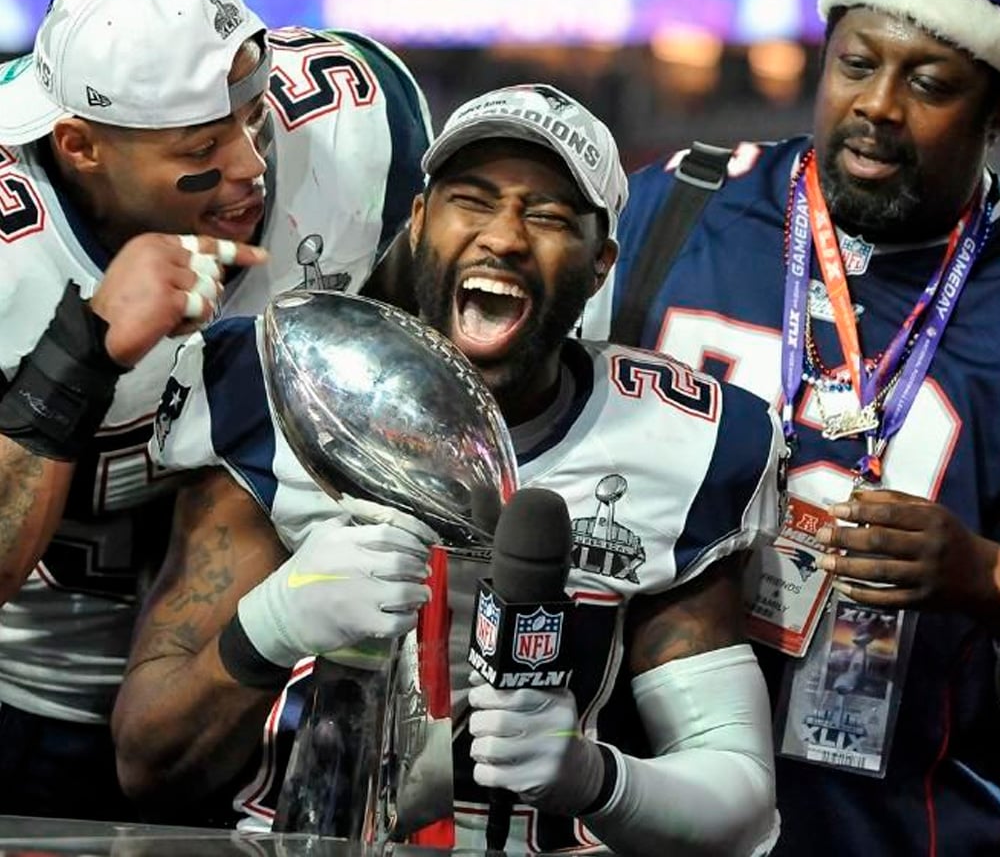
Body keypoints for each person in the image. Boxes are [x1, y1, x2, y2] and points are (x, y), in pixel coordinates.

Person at [113, 83, 787, 854]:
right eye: (472, 200)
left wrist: (593, 776)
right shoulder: (278, 387)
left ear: (601, 264)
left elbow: (742, 812)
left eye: (547, 215)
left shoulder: (681, 443)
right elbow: (148, 761)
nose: (503, 237)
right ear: (421, 221)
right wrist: (276, 621)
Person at [581, 0, 1000, 857]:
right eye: (856, 64)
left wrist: (981, 572)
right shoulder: (671, 212)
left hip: (902, 825)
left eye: (930, 83)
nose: (879, 106)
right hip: (629, 810)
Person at [0, 0, 432, 820]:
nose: (250, 167)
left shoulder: (360, 120)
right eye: (200, 148)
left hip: (265, 693)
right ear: (79, 146)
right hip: (25, 687)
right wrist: (78, 350)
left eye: (255, 115)